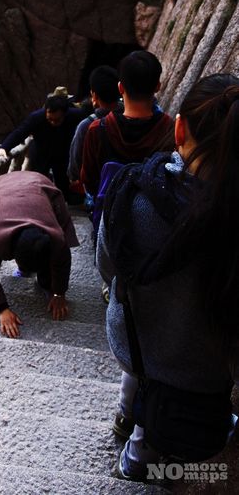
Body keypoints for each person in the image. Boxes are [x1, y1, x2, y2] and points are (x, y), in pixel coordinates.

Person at [97, 73, 239, 482]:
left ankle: (133, 436)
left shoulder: (133, 195)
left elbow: (108, 265)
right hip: (210, 365)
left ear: (179, 129)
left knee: (141, 385)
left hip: (139, 343)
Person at [0, 171, 79, 338]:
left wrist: (58, 293)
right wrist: (1, 309)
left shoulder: (55, 236)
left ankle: (44, 279)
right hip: (2, 189)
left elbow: (62, 261)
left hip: (39, 184)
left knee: (47, 279)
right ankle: (26, 269)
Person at [80, 51, 173, 198]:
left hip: (110, 215)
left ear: (120, 88)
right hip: (155, 216)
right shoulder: (170, 130)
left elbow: (89, 181)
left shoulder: (97, 129)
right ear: (157, 86)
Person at [0, 92, 84, 201]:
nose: (52, 122)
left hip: (62, 153)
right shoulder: (37, 117)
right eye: (49, 119)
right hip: (40, 153)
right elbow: (20, 133)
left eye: (57, 120)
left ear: (65, 114)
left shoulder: (75, 116)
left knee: (63, 181)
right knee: (38, 182)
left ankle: (65, 199)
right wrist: (4, 148)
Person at [67, 65, 121, 193]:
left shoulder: (86, 126)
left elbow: (74, 168)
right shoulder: (130, 117)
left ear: (94, 95)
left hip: (99, 191)